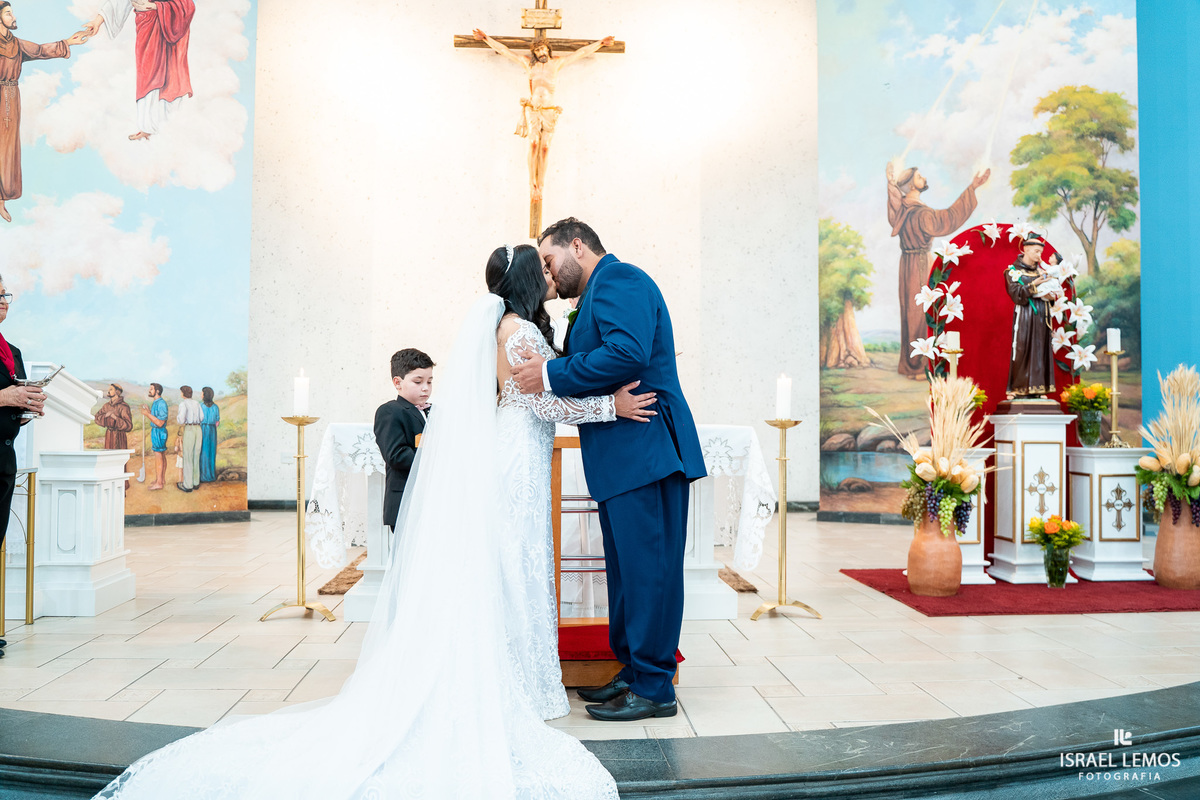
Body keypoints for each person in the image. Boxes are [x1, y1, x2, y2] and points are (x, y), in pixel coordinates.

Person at [94, 245, 657, 799]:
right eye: (545, 271)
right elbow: (541, 403)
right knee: (516, 562)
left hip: (511, 455)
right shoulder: (524, 334)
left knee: (509, 562)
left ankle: (520, 679)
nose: (554, 278)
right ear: (534, 281)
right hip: (518, 460)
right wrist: (614, 407)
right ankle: (524, 688)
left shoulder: (497, 327)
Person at [510, 217, 707, 722]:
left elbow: (627, 352)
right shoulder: (594, 296)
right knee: (626, 573)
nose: (549, 276)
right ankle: (635, 670)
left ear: (578, 245)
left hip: (646, 449)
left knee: (651, 572)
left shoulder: (620, 280)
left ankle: (656, 685)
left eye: (551, 261)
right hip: (623, 456)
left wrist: (550, 372)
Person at [471, 29, 614, 204]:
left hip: (549, 110)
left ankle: (542, 184)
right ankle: (532, 184)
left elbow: (581, 53)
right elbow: (505, 51)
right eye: (537, 51)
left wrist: (600, 43)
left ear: (548, 49)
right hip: (533, 109)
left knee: (545, 147)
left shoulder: (556, 64)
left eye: (543, 49)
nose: (541, 53)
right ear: (534, 53)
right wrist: (486, 38)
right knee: (533, 143)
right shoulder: (528, 64)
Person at [887, 162, 990, 376]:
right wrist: (972, 189)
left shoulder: (902, 210)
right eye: (919, 177)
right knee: (921, 312)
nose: (923, 178)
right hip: (922, 264)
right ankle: (919, 367)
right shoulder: (922, 214)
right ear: (910, 185)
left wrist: (890, 184)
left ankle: (911, 364)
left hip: (906, 264)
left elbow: (895, 204)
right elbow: (948, 219)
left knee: (911, 312)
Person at [0, 2, 87, 222]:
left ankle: (1, 199)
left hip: (10, 97)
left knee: (7, 148)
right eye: (8, 13)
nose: (13, 16)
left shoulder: (16, 44)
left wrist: (68, 42)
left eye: (12, 12)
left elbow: (40, 50)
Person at [0, 278, 44, 659]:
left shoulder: (11, 350)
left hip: (3, 456)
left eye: (4, 295)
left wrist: (26, 406)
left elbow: (12, 404)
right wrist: (5, 396)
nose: (2, 301)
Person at [82, 0, 195, 140]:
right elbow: (118, 2)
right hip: (147, 27)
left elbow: (187, 5)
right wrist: (98, 21)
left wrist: (157, 7)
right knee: (148, 76)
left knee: (172, 76)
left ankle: (171, 127)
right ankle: (148, 127)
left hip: (171, 24)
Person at [374, 349, 433, 533]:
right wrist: (435, 457)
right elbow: (396, 455)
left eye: (430, 381)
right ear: (397, 382)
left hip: (430, 499)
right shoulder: (391, 411)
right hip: (405, 501)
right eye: (418, 381)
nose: (426, 387)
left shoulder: (434, 412)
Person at [1005, 234, 1056, 399]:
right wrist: (1035, 285)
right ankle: (1020, 388)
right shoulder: (1012, 272)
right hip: (1026, 316)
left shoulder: (1043, 272)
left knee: (1040, 350)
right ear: (1025, 249)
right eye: (1036, 251)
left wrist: (1051, 296)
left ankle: (1039, 388)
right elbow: (1016, 295)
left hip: (1042, 316)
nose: (1039, 256)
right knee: (1023, 349)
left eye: (1041, 252)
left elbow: (1052, 292)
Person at [94, 383, 133, 490]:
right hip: (109, 435)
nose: (109, 391)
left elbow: (129, 425)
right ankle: (108, 484)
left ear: (117, 392)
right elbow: (97, 417)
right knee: (108, 460)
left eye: (111, 389)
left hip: (119, 436)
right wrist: (105, 416)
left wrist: (115, 418)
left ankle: (122, 486)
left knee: (120, 460)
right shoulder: (106, 406)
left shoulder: (123, 407)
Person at [140, 383, 168, 490]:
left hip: (159, 432)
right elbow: (156, 418)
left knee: (159, 457)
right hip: (158, 432)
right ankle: (161, 480)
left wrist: (147, 414)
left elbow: (160, 422)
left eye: (151, 389)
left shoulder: (161, 403)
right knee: (161, 456)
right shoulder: (156, 402)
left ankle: (159, 483)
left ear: (157, 391)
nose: (149, 391)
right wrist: (149, 412)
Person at [174, 385, 201, 492]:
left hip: (189, 429)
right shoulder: (197, 403)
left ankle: (188, 485)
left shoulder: (183, 404)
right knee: (196, 455)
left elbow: (180, 420)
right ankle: (196, 482)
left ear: (183, 393)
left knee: (188, 456)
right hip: (198, 429)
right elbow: (202, 417)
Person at [198, 386, 219, 483]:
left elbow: (198, 419)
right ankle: (211, 475)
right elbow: (217, 422)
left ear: (205, 395)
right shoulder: (215, 407)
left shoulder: (201, 406)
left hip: (203, 429)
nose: (201, 394)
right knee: (211, 451)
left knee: (203, 452)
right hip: (212, 430)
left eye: (202, 393)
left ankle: (203, 476)